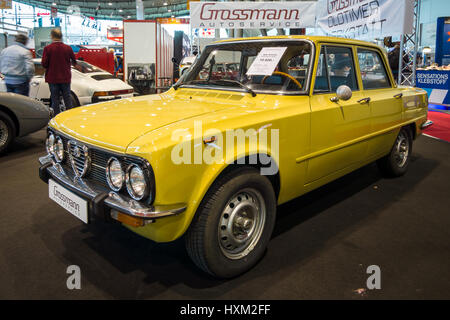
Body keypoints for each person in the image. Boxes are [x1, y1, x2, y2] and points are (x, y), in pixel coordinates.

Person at [41, 28, 77, 115]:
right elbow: (74, 61)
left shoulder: (47, 48)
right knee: (67, 99)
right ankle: (69, 117)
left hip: (53, 79)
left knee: (55, 99)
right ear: (61, 36)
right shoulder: (68, 48)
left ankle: (57, 119)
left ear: (52, 36)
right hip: (65, 78)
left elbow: (44, 64)